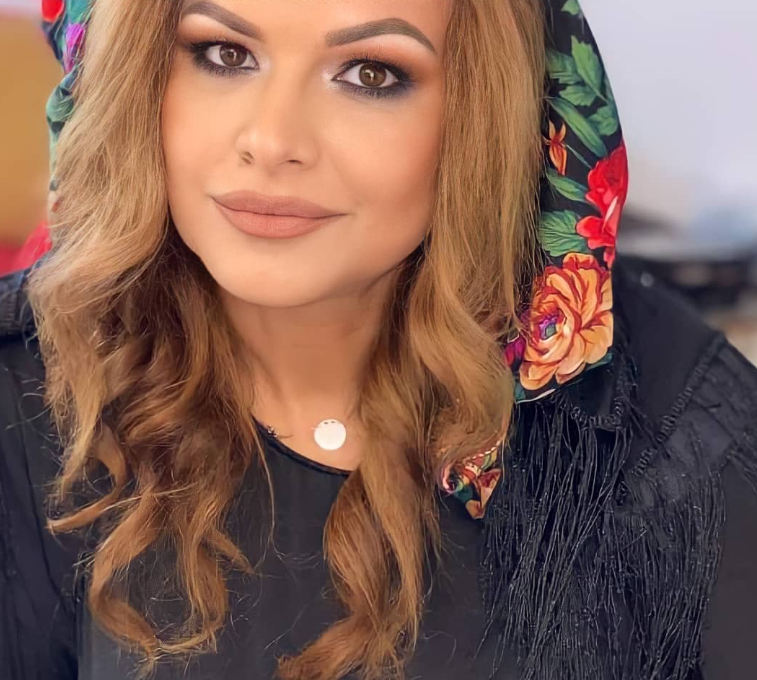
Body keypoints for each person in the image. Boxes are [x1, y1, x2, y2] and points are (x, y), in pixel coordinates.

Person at [1, 0, 755, 679]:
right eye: (224, 54)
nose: (272, 140)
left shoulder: (665, 424)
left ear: (485, 111)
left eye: (370, 73)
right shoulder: (27, 390)